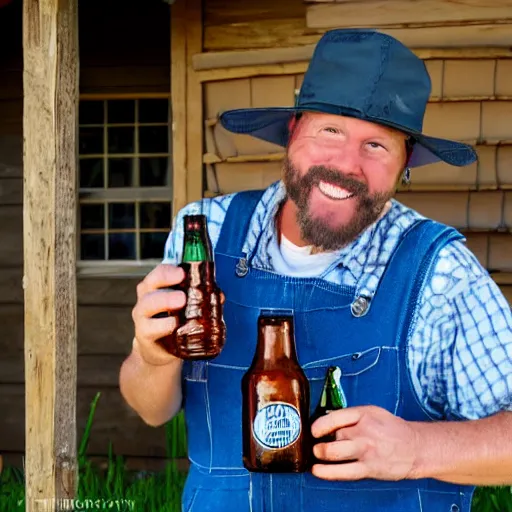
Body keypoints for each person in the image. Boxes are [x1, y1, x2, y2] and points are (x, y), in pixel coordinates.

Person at [119, 28, 512, 512]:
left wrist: (416, 448)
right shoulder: (205, 234)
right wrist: (152, 357)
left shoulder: (441, 272)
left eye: (377, 146)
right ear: (293, 130)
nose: (347, 164)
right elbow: (151, 409)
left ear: (405, 162)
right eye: (331, 131)